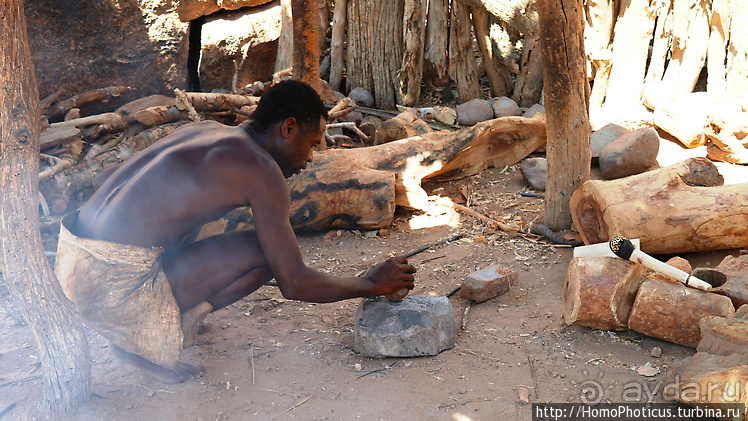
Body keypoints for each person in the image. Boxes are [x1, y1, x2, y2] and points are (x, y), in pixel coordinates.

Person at [54, 80, 417, 383]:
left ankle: (169, 314)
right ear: (288, 128)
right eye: (310, 144)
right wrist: (370, 284)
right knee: (264, 254)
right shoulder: (259, 169)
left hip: (73, 260)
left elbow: (104, 180)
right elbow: (293, 282)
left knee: (204, 225)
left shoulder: (205, 131)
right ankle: (138, 342)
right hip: (111, 286)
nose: (309, 159)